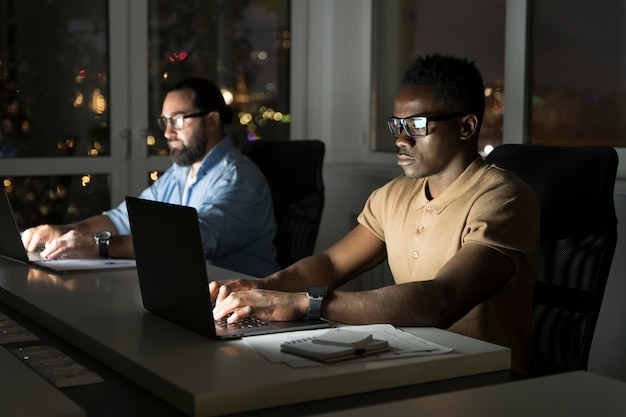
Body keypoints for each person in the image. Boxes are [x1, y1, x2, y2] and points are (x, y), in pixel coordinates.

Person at [209, 54, 540, 373]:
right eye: (397, 124)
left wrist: (305, 303)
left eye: (417, 125)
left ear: (466, 127)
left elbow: (440, 300)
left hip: (484, 376)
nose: (401, 139)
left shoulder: (504, 198)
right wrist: (262, 288)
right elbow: (332, 264)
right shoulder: (393, 195)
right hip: (412, 363)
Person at [21, 77, 280, 277]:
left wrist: (99, 246)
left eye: (177, 120)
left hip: (242, 304)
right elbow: (122, 219)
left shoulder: (238, 178)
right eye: (165, 121)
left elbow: (191, 242)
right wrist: (64, 231)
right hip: (192, 292)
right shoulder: (180, 172)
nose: (167, 133)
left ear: (212, 120)